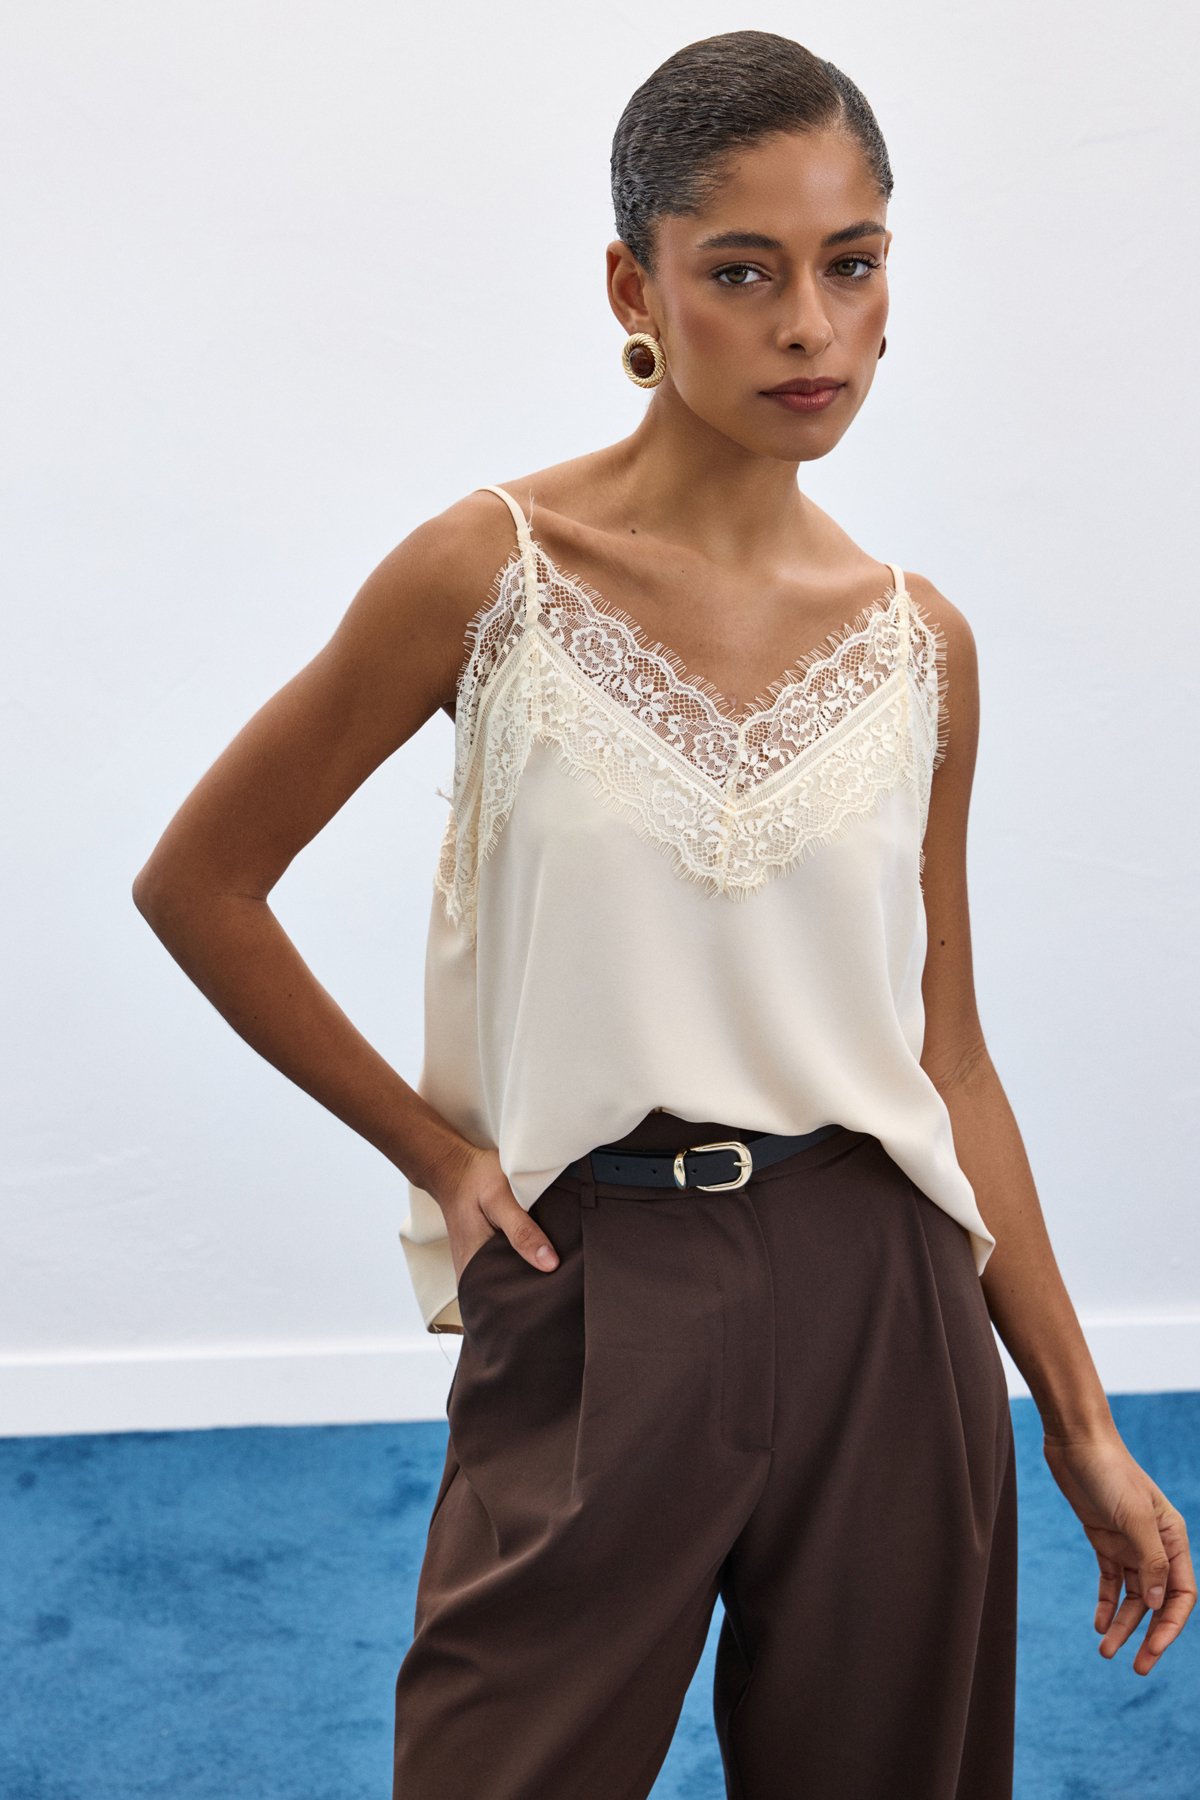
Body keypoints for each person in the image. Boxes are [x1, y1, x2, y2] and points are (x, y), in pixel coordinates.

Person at [132, 27, 1194, 1800]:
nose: (811, 327)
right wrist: (438, 1154)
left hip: (885, 1295)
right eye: (745, 272)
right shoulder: (492, 576)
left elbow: (946, 1059)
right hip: (595, 1275)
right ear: (637, 287)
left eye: (853, 264)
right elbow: (201, 882)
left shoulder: (921, 647)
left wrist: (1082, 1424)